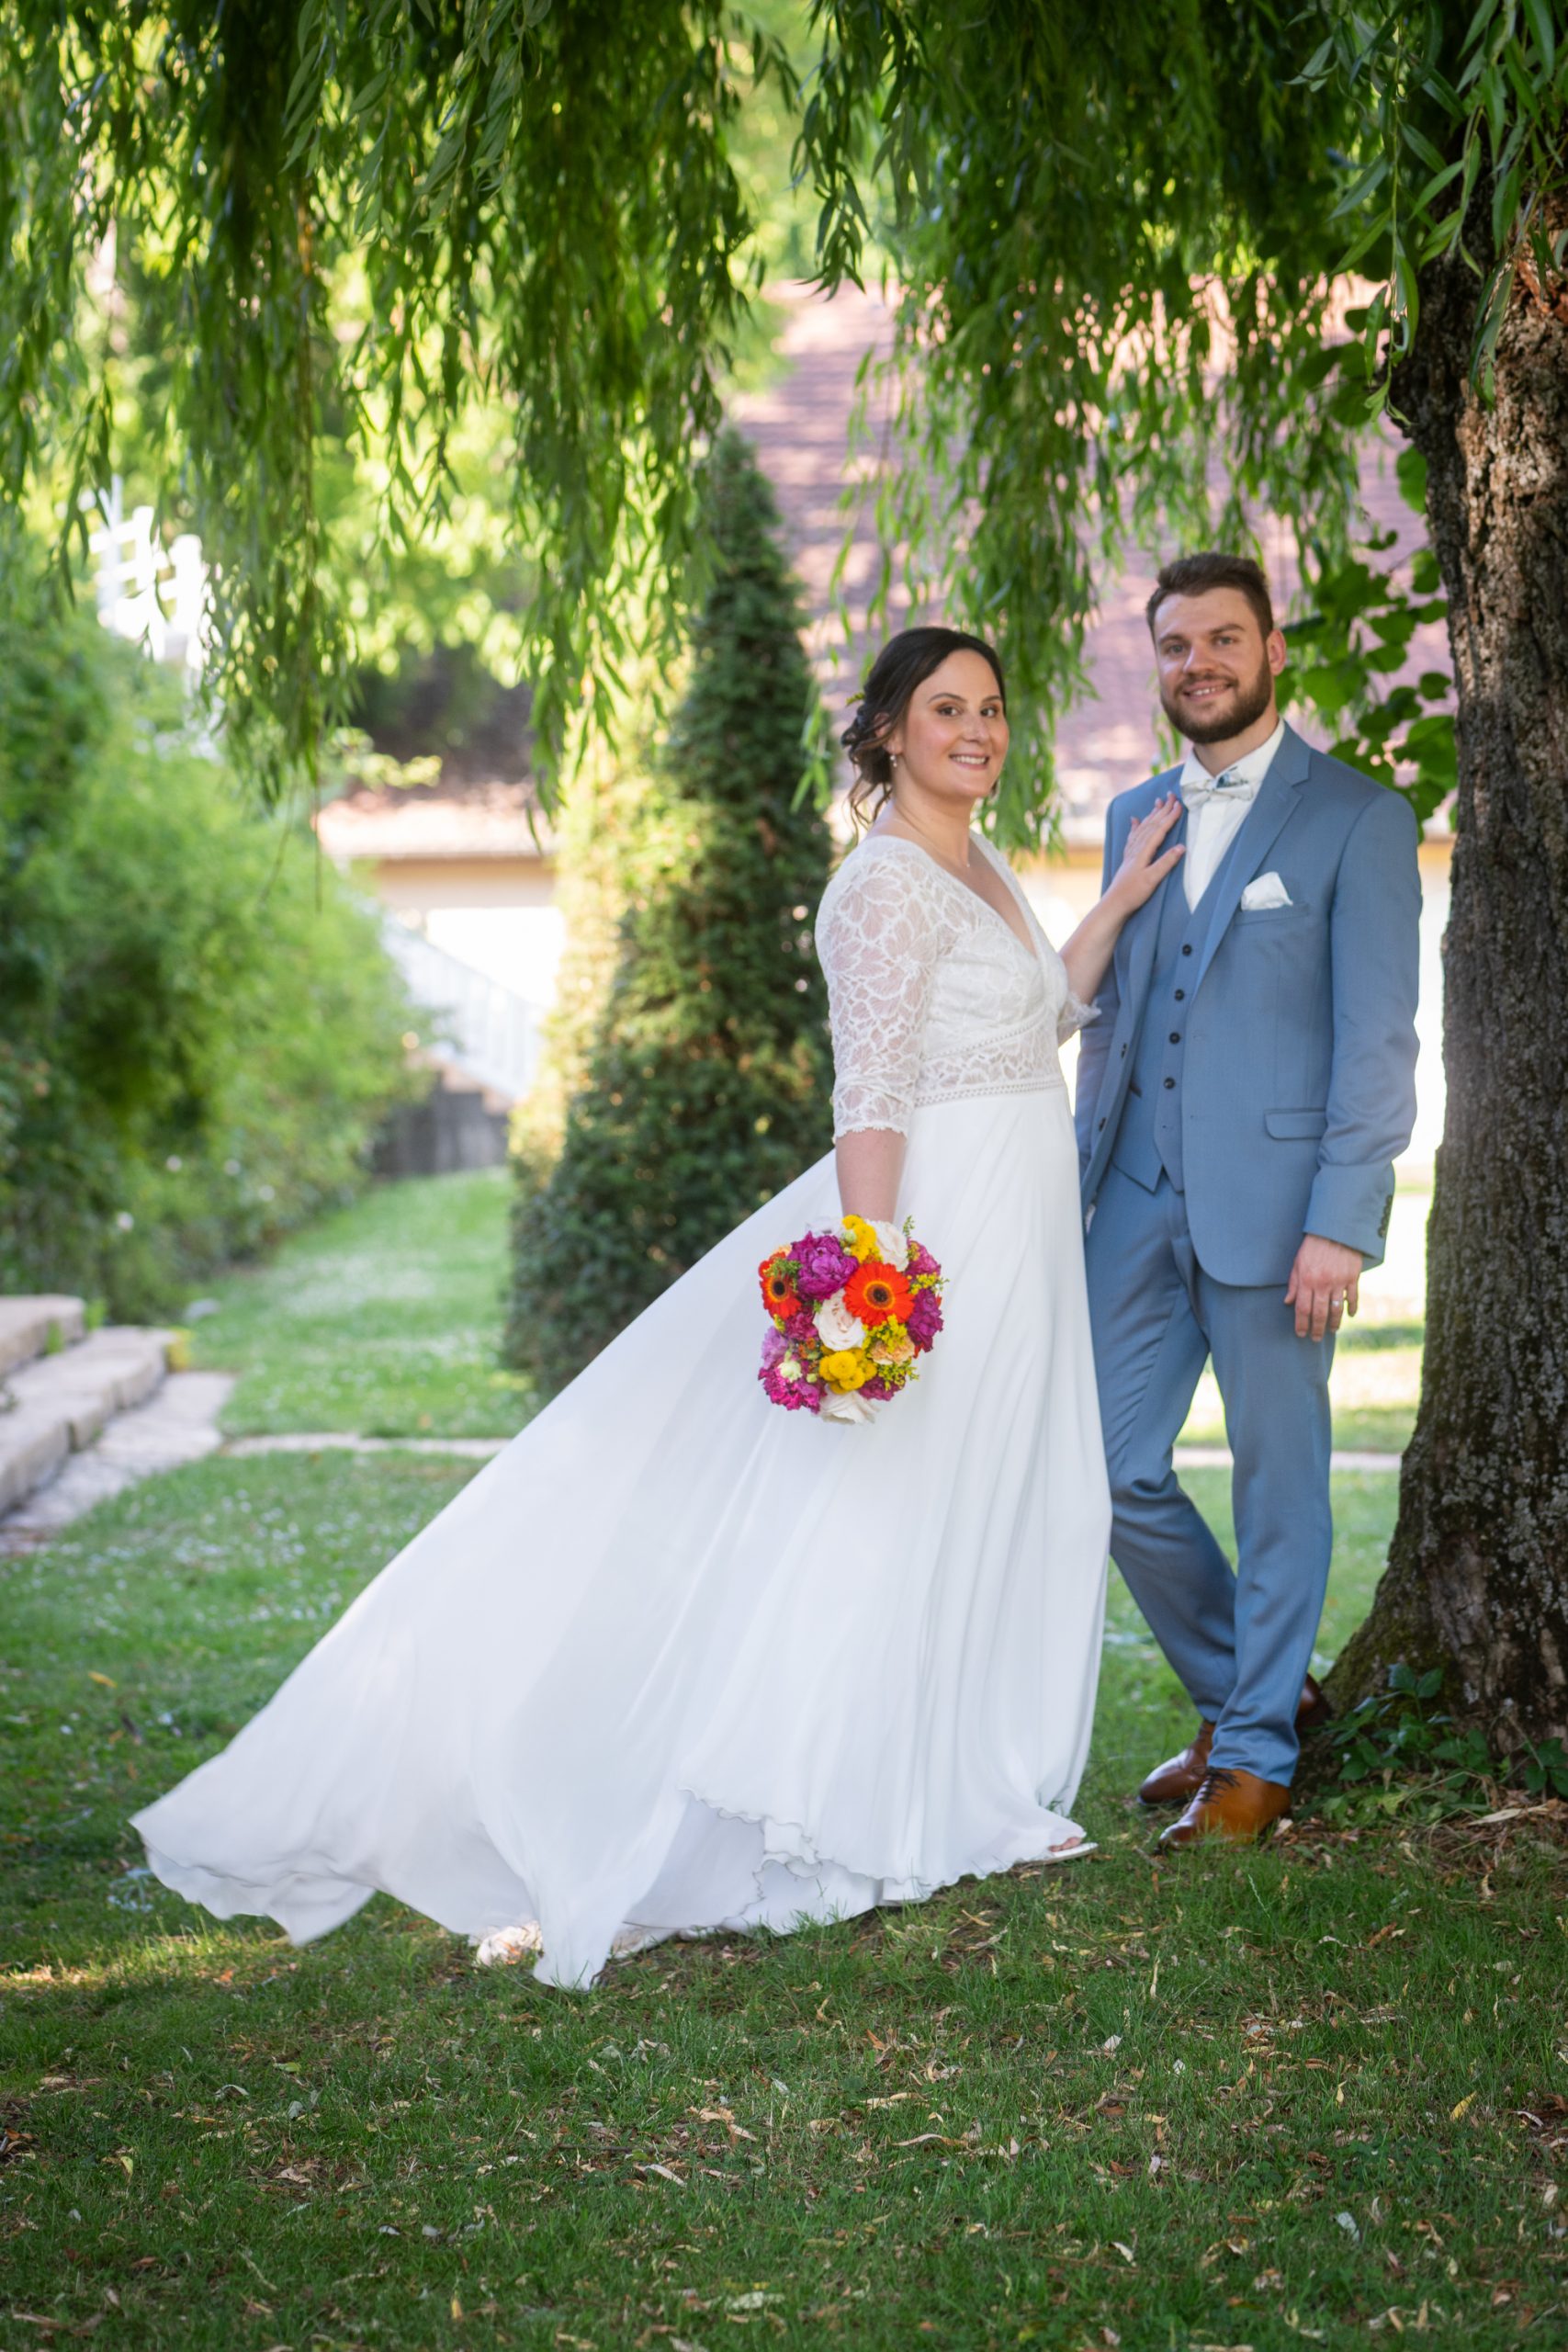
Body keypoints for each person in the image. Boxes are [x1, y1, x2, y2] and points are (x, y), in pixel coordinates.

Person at [134, 626, 1182, 1989]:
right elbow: (871, 1092)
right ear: (887, 734)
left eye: (990, 707)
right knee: (880, 1510)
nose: (978, 730)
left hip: (1020, 1231)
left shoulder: (976, 862)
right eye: (947, 709)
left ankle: (960, 1787)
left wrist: (1116, 904)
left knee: (985, 1495)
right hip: (939, 1236)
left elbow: (1026, 1020)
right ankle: (814, 1807)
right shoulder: (880, 887)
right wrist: (873, 1281)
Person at [1076, 553, 1421, 1849]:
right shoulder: (1134, 814)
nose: (1199, 664)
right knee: (1105, 1468)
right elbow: (1114, 1022)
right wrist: (1078, 1188)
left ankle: (1259, 1757)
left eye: (1224, 638)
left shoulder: (1357, 818)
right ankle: (1248, 1693)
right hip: (1132, 1199)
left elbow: (1377, 1041)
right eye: (1176, 645)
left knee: (1280, 1480)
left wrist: (1342, 1219)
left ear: (1271, 650)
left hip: (1283, 1217)